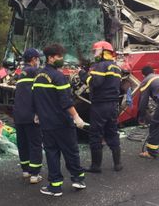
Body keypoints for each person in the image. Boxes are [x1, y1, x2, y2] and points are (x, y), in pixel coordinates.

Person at [32, 43, 87, 196]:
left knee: (52, 154)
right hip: (62, 123)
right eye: (59, 57)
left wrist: (37, 114)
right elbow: (66, 101)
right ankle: (78, 179)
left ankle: (55, 187)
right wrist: (76, 117)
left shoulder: (38, 76)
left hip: (47, 125)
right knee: (71, 151)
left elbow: (35, 99)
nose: (62, 59)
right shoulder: (58, 76)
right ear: (50, 58)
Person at [79, 41, 122, 173]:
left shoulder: (100, 66)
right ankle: (118, 164)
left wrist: (82, 75)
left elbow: (95, 83)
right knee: (112, 132)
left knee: (95, 134)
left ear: (103, 51)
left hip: (100, 105)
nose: (94, 54)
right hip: (113, 105)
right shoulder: (116, 67)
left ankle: (96, 166)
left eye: (96, 51)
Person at [13, 48, 43, 184]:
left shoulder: (21, 73)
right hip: (31, 115)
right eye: (37, 59)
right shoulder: (34, 72)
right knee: (35, 144)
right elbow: (38, 94)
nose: (38, 61)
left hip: (18, 115)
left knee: (23, 143)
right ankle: (35, 174)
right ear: (33, 59)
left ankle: (26, 171)